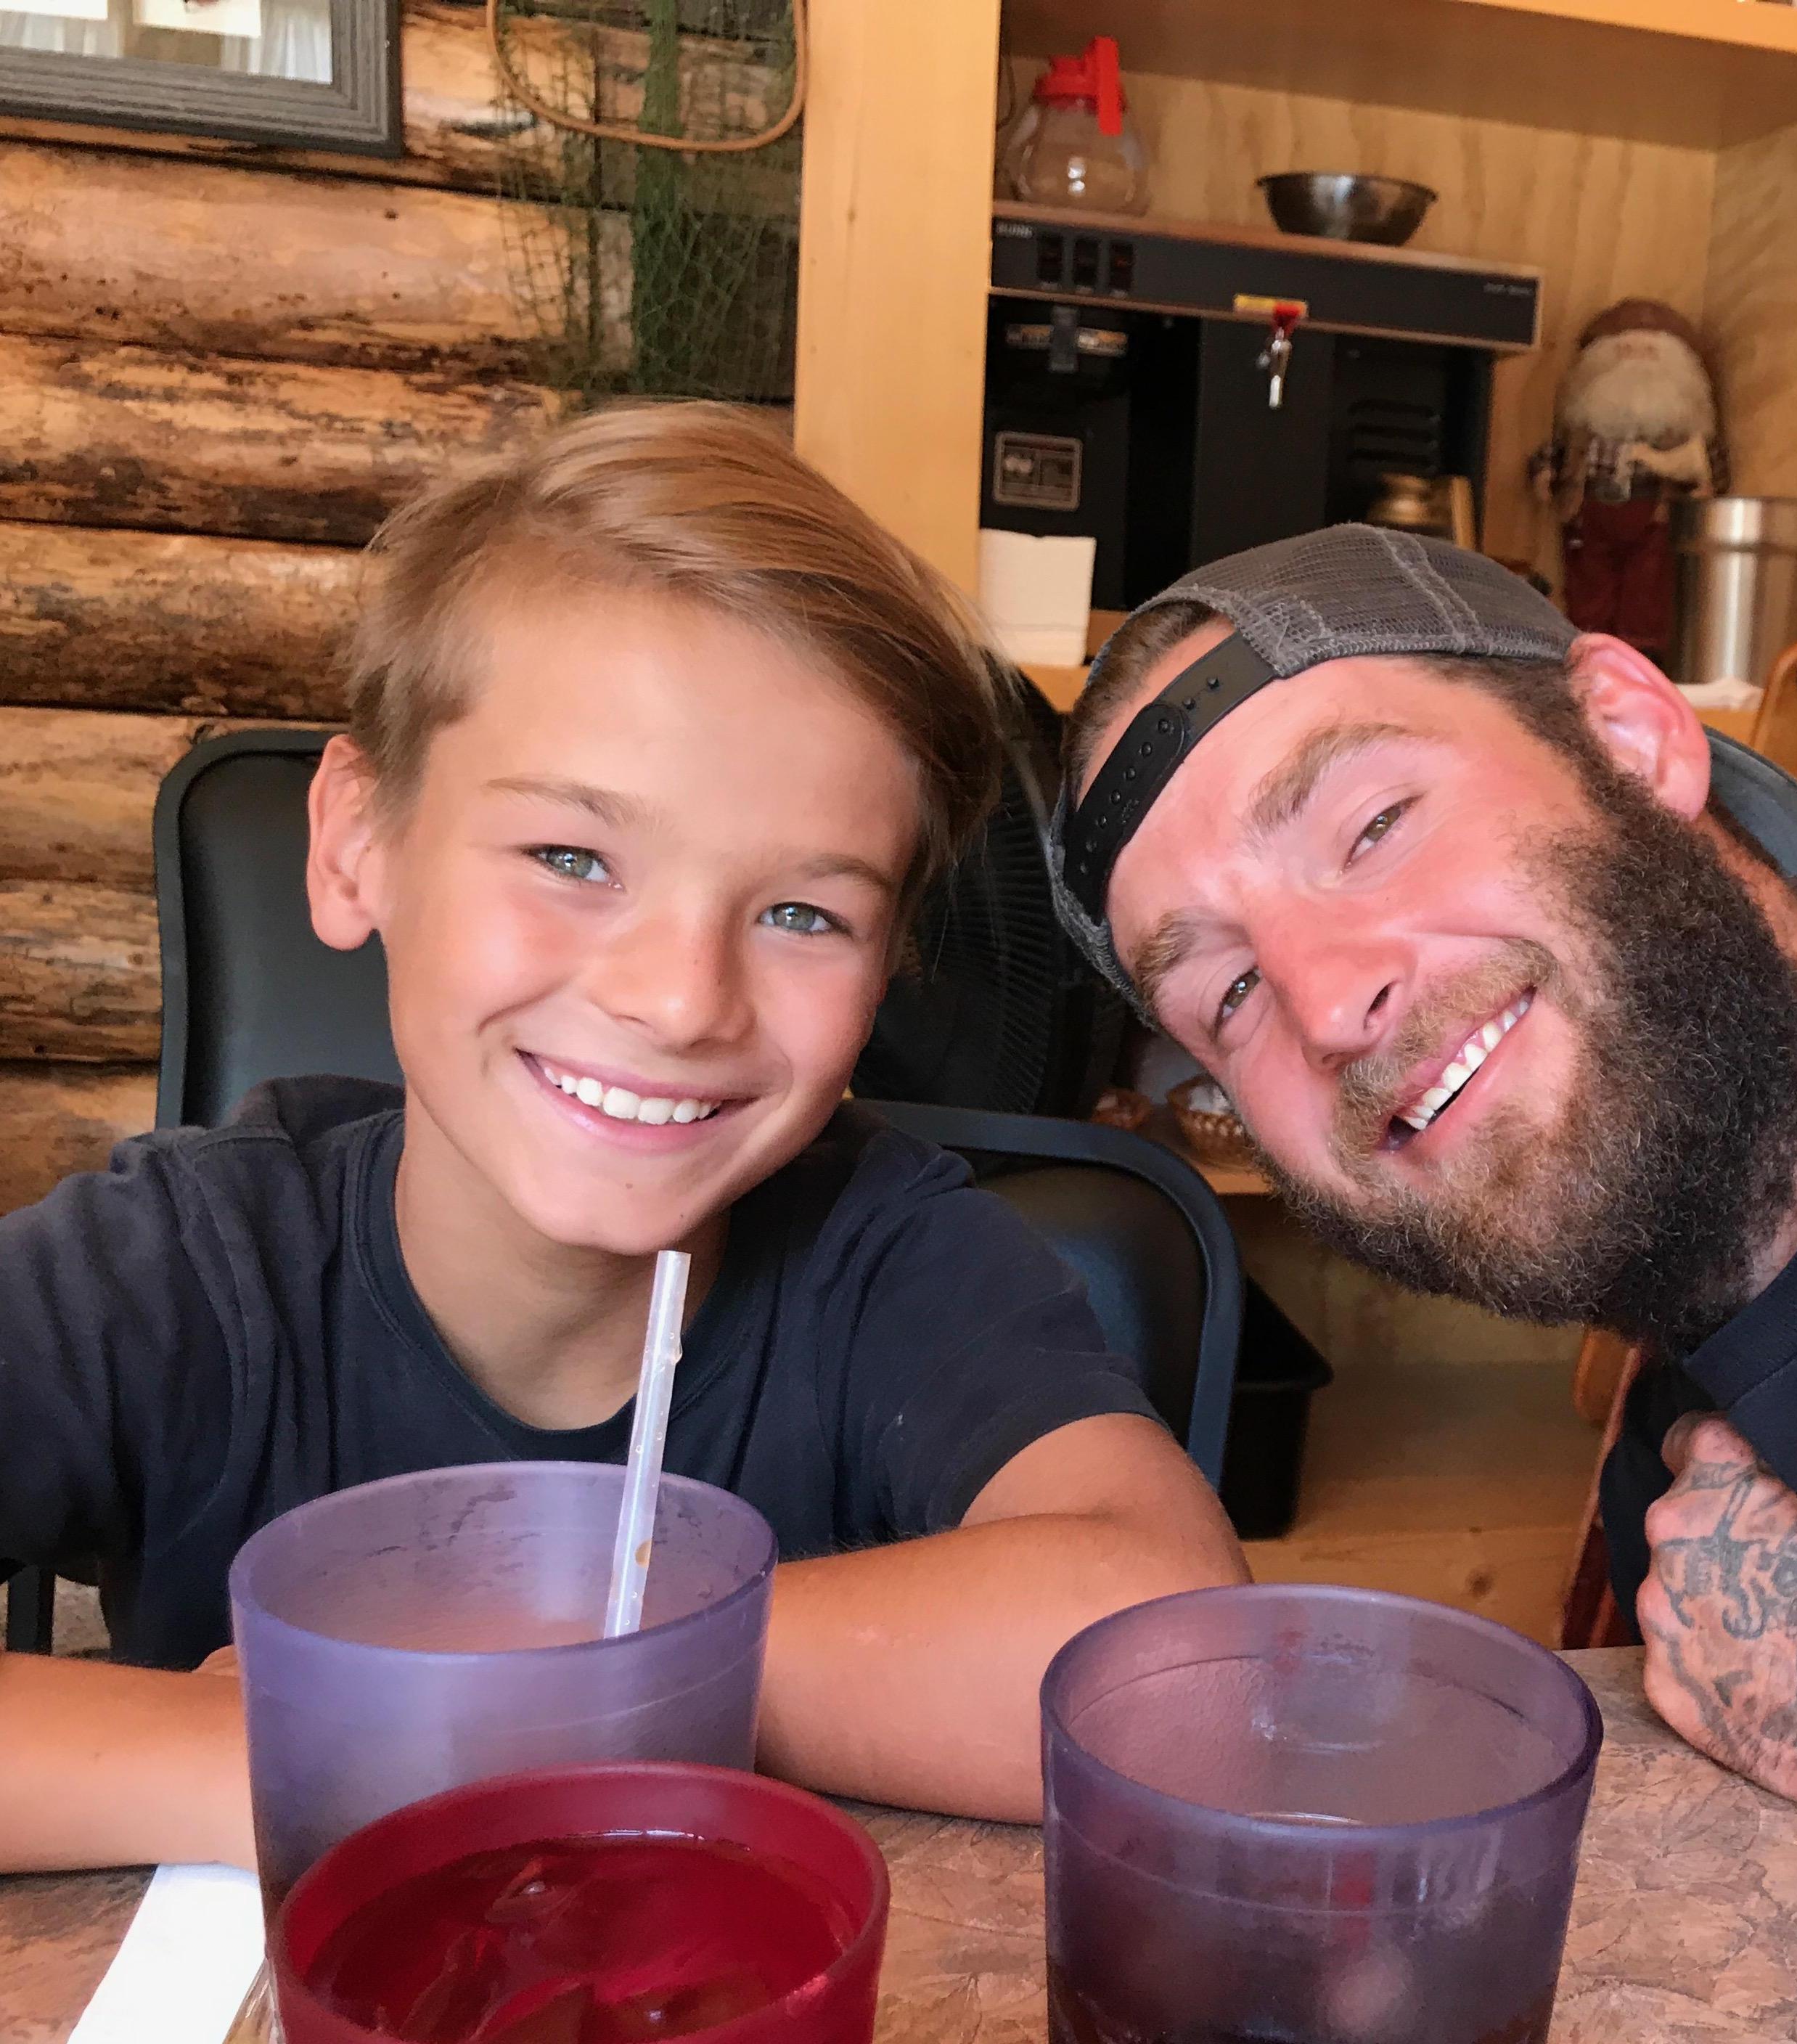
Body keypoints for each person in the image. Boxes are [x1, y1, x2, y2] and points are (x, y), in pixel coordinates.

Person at [1046, 523, 1797, 2044]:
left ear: (1633, 733)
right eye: (1221, 996)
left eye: (1372, 824)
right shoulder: (1685, 1458)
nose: (1325, 1003)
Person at [0, 403, 1245, 1875]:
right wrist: (315, 1754)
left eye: (802, 913)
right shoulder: (169, 1275)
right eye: (572, 857)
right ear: (357, 844)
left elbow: (1171, 1661)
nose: (676, 998)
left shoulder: (891, 1263)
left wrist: (552, 1683)